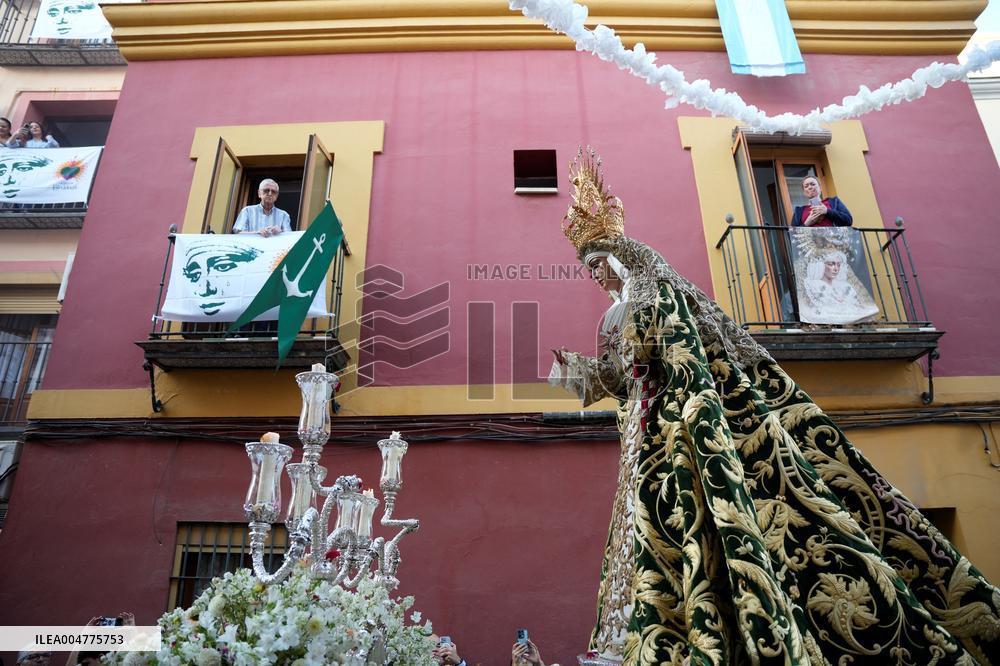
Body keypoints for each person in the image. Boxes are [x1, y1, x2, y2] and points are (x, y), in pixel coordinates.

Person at [548, 149, 1000, 664]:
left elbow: (654, 355)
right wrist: (581, 372)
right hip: (646, 436)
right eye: (590, 271)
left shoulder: (652, 297)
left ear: (623, 256)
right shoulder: (628, 305)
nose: (597, 277)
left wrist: (611, 360)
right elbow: (629, 375)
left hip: (672, 432)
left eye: (600, 265)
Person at [799, 248, 879, 325]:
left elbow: (858, 308)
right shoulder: (813, 285)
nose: (836, 269)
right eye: (831, 264)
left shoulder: (845, 286)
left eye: (838, 265)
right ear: (821, 265)